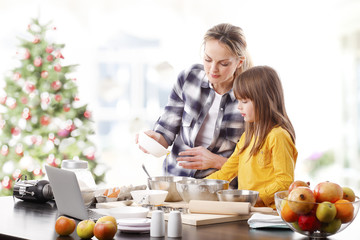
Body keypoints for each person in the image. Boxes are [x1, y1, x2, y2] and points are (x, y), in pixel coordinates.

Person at [137, 23, 253, 182]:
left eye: (223, 63)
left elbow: (257, 163)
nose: (213, 69)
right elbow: (166, 131)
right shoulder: (189, 78)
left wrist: (217, 161)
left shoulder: (251, 96)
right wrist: (154, 140)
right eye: (208, 59)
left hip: (219, 187)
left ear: (239, 62)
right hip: (174, 181)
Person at [206, 65, 298, 209]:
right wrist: (197, 186)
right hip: (250, 212)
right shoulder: (246, 138)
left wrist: (252, 198)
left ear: (264, 100)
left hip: (269, 215)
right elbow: (226, 173)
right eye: (238, 101)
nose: (239, 107)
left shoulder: (278, 136)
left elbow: (284, 182)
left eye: (244, 101)